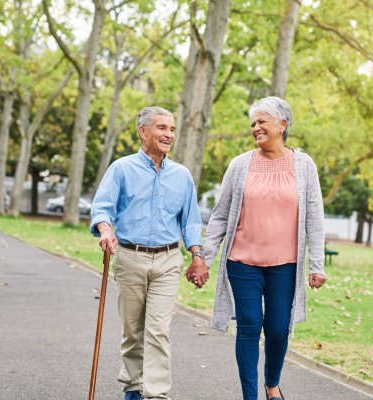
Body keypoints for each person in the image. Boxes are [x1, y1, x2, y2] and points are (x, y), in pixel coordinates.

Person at [194, 96, 327, 400]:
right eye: (253, 123)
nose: (255, 128)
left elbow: (315, 217)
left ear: (283, 124)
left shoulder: (304, 165)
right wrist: (205, 258)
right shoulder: (240, 165)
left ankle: (272, 384)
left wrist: (317, 265)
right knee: (249, 327)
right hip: (243, 263)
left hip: (286, 265)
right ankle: (251, 395)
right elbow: (221, 215)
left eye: (262, 121)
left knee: (279, 329)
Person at [90, 106, 209, 400]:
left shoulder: (181, 176)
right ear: (143, 131)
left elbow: (191, 220)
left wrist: (197, 255)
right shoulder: (121, 169)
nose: (168, 134)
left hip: (168, 260)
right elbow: (102, 208)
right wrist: (106, 230)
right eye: (161, 128)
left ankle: (155, 395)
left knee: (158, 330)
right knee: (133, 331)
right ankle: (133, 386)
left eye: (171, 129)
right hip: (130, 257)